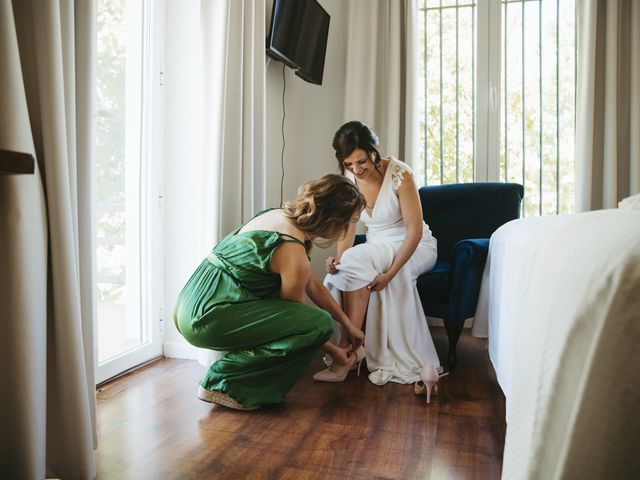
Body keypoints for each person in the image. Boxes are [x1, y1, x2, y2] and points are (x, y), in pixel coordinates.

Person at [174, 174, 366, 410]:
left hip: (190, 303)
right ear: (332, 220)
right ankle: (225, 383)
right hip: (207, 317)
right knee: (319, 323)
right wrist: (335, 351)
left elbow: (312, 283)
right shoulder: (292, 253)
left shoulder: (277, 216)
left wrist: (348, 324)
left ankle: (229, 379)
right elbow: (299, 322)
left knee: (316, 321)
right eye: (346, 222)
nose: (347, 229)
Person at [314, 121, 441, 386]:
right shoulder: (352, 180)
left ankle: (345, 354)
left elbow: (415, 231)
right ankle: (352, 350)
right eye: (349, 165)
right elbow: (348, 229)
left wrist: (391, 274)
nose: (356, 169)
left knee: (358, 260)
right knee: (349, 262)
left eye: (361, 161)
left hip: (414, 246)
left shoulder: (400, 175)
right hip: (378, 245)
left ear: (373, 151)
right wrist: (338, 258)